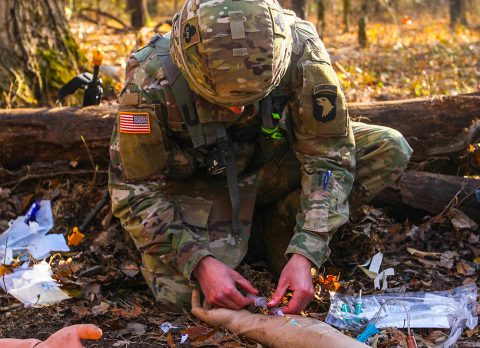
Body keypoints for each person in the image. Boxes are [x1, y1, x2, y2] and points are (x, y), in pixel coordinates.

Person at [109, 0, 412, 314]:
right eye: (218, 101)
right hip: (202, 189)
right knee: (184, 294)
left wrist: (307, 250)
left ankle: (277, 228)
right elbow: (135, 191)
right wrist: (199, 262)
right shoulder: (149, 80)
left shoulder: (301, 51)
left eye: (253, 99)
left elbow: (328, 156)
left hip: (272, 166)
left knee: (388, 147)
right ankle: (236, 242)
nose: (238, 112)